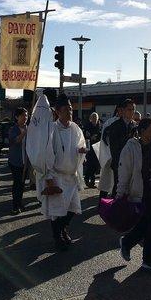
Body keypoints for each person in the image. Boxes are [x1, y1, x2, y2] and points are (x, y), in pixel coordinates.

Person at [118, 118, 151, 272]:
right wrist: (121, 193)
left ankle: (146, 257)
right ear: (142, 130)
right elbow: (124, 171)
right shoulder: (131, 147)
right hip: (139, 192)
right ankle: (129, 244)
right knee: (146, 225)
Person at [40, 94, 87, 251]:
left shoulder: (75, 128)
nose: (70, 112)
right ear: (58, 112)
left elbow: (80, 144)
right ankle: (57, 236)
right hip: (57, 175)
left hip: (71, 175)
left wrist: (80, 150)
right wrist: (49, 178)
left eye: (71, 109)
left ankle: (63, 229)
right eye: (66, 109)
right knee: (57, 211)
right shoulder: (52, 129)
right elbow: (47, 154)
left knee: (73, 208)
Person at [103, 98, 137, 197]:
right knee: (119, 188)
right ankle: (116, 209)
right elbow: (114, 148)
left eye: (133, 110)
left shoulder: (135, 126)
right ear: (123, 111)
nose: (131, 112)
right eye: (129, 110)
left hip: (133, 163)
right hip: (119, 162)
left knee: (132, 188)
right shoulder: (115, 126)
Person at [97, 105, 122, 199]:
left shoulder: (127, 123)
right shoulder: (111, 122)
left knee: (114, 183)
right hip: (111, 156)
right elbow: (105, 140)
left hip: (117, 157)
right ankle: (103, 204)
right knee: (107, 182)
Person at [9, 107, 28, 214]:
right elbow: (15, 141)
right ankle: (15, 206)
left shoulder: (29, 128)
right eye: (23, 115)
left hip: (25, 161)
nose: (25, 118)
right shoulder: (13, 129)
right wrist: (23, 133)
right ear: (16, 117)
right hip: (15, 161)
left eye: (26, 115)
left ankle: (19, 203)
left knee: (22, 184)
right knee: (17, 183)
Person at [83, 112, 101, 188]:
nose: (94, 119)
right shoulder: (87, 126)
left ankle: (92, 182)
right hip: (90, 149)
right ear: (91, 118)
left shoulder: (100, 126)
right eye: (93, 118)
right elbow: (84, 137)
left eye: (96, 118)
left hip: (97, 147)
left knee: (95, 166)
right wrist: (90, 138)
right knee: (89, 165)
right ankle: (87, 180)